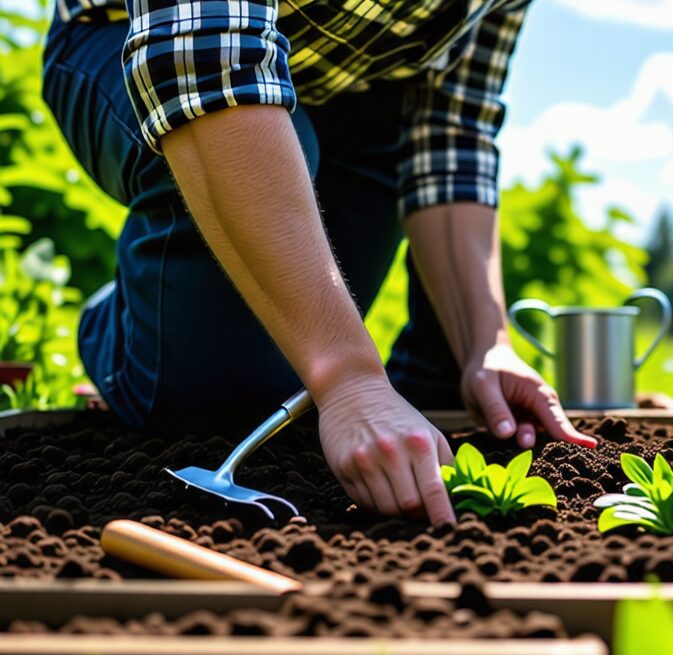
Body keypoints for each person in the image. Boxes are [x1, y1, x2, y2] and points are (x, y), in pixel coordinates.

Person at [41, 0, 595, 528]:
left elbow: (451, 136)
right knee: (213, 399)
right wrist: (349, 379)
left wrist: (486, 345)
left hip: (352, 99)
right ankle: (116, 326)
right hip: (130, 41)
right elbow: (202, 57)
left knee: (290, 361)